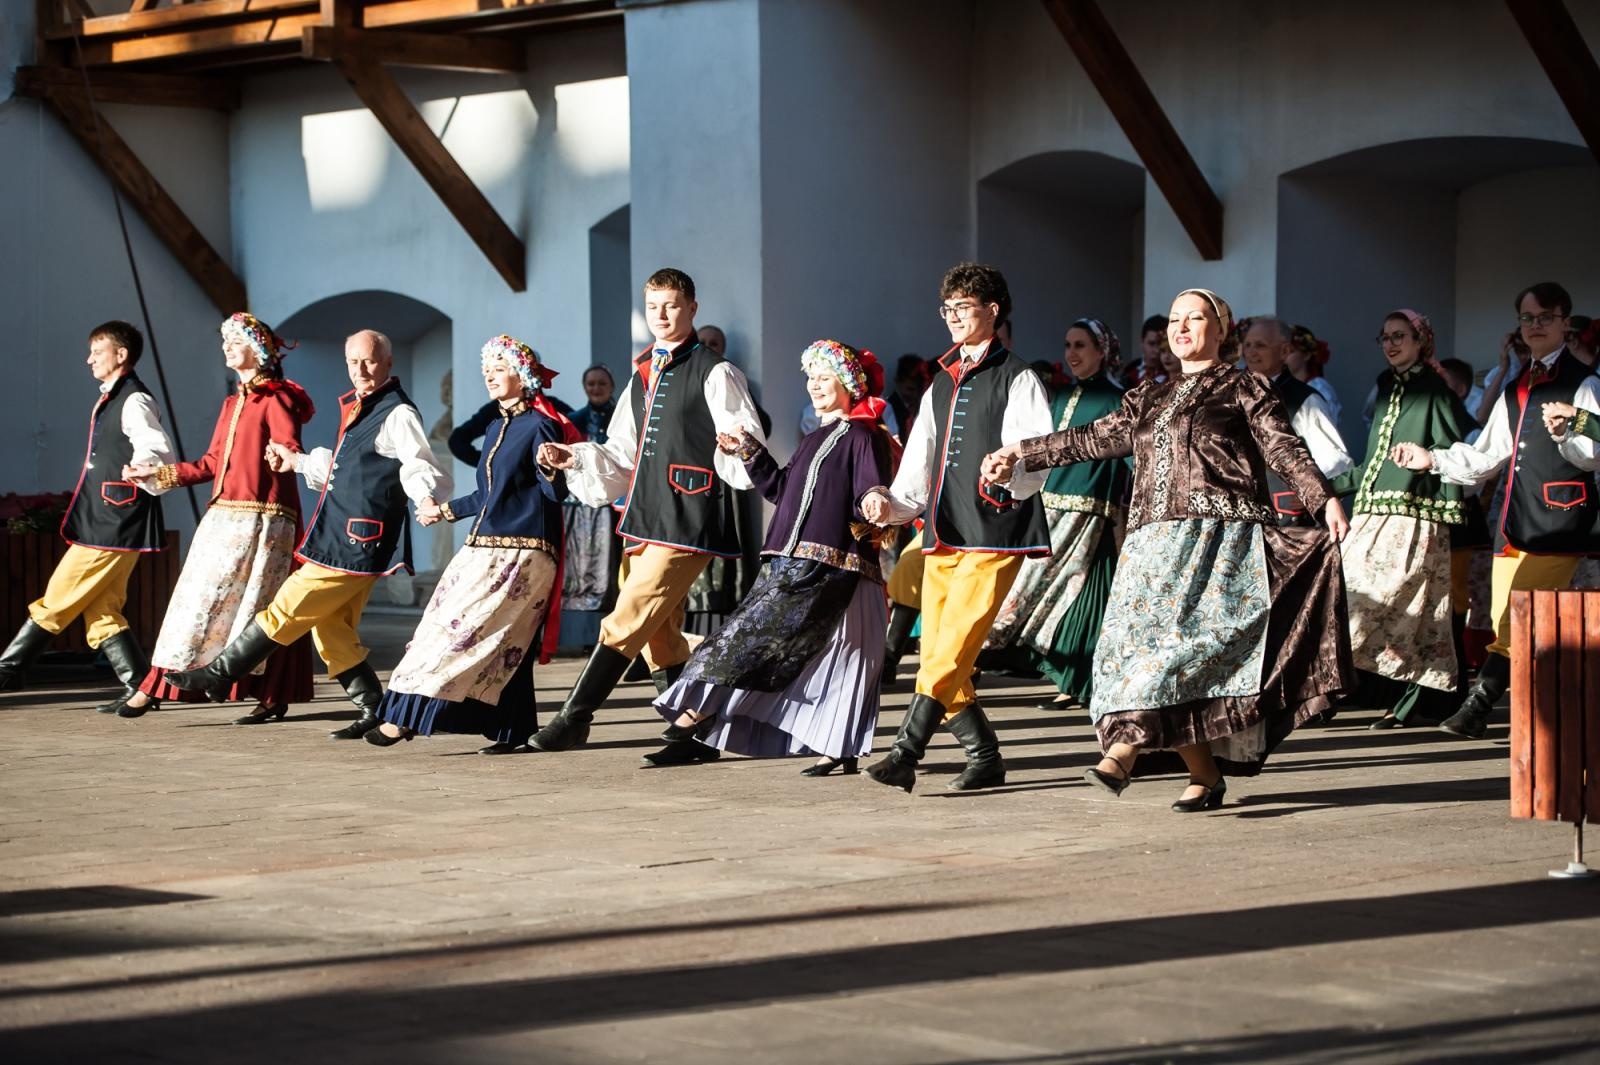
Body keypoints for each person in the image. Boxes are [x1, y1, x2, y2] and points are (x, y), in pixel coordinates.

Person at [984, 289, 1352, 812]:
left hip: (1218, 545)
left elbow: (1283, 447)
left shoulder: (1242, 386)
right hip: (1149, 547)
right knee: (1138, 656)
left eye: (1194, 318)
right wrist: (1018, 452)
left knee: (1177, 657)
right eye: (1175, 319)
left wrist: (1323, 500)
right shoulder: (1148, 395)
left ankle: (1123, 753)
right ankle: (1204, 775)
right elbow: (1088, 439)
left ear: (1220, 329)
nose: (1181, 328)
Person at [165, 329, 451, 739]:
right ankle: (374, 707)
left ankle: (220, 673)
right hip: (350, 536)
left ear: (388, 363)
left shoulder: (397, 412)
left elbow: (418, 463)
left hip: (358, 540)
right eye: (353, 362)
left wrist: (425, 498)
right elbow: (344, 471)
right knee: (332, 629)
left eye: (369, 361)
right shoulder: (364, 408)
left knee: (287, 605)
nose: (361, 370)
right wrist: (295, 461)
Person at [529, 268, 767, 753]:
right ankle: (690, 733)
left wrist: (737, 446)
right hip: (643, 516)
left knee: (629, 613)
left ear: (692, 309)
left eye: (672, 305)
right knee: (661, 632)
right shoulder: (641, 374)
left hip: (689, 515)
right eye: (653, 306)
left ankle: (575, 717)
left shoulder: (716, 371)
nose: (661, 315)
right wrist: (572, 455)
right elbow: (619, 452)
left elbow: (746, 438)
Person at [642, 340, 895, 771]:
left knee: (761, 639)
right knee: (825, 651)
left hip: (831, 564)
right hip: (792, 561)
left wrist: (874, 498)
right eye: (811, 379)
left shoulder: (862, 437)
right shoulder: (813, 438)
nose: (814, 386)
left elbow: (871, 488)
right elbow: (781, 490)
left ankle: (696, 716)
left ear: (849, 383)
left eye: (824, 378)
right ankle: (837, 748)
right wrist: (749, 452)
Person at [858, 262, 1053, 793]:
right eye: (947, 309)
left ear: (992, 311)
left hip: (995, 529)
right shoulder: (940, 382)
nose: (952, 318)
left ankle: (905, 753)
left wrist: (1011, 468)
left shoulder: (1019, 376)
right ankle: (984, 755)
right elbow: (920, 459)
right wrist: (893, 503)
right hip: (943, 530)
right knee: (942, 652)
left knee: (953, 645)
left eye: (963, 308)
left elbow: (1036, 450)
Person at [1390, 281, 1600, 740]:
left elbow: (1593, 454)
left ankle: (1478, 706)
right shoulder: (1515, 387)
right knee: (1517, 621)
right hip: (1516, 521)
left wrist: (1569, 432)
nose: (1536, 325)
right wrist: (1434, 458)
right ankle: (1541, 724)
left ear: (1565, 323)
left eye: (1546, 317)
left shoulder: (1584, 382)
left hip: (1561, 518)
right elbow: (1488, 456)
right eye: (1528, 318)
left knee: (1514, 623)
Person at [366, 336, 573, 753]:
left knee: (466, 632)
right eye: (486, 371)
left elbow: (556, 495)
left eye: (498, 369)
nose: (489, 376)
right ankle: (509, 728)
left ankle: (405, 717)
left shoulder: (541, 425)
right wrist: (442, 512)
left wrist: (552, 469)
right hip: (484, 544)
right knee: (481, 636)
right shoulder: (497, 426)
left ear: (522, 374)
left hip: (525, 551)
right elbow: (487, 495)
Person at [114, 313, 317, 722]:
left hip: (265, 518)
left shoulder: (277, 399)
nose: (226, 347)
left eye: (235, 340)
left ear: (258, 350)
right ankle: (160, 685)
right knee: (196, 604)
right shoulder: (233, 402)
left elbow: (288, 447)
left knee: (261, 607)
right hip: (223, 517)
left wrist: (284, 454)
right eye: (223, 339)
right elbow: (211, 463)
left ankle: (271, 692)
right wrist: (159, 475)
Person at [0, 321, 173, 696]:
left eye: (97, 352)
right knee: (103, 609)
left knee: (58, 596)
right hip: (112, 518)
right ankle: (141, 688)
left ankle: (9, 671)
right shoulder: (115, 396)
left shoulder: (134, 399)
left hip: (114, 519)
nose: (89, 359)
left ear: (121, 355)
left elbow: (155, 446)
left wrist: (144, 465)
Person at [1329, 310, 1475, 729]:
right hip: (1372, 514)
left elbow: (1453, 452)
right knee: (1353, 599)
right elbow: (1373, 461)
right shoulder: (1386, 386)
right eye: (1385, 337)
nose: (1391, 344)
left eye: (1400, 336)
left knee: (1404, 611)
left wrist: (1441, 500)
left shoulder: (1435, 391)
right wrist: (1324, 487)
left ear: (1420, 341)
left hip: (1413, 516)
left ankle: (1406, 700)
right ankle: (1397, 698)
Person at [983, 318, 1129, 711]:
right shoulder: (1061, 397)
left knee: (1082, 593)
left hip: (1092, 513)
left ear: (1103, 351)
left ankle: (1079, 681)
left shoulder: (1118, 401)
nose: (1072, 353)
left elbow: (1130, 462)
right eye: (1068, 344)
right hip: (1049, 506)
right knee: (1043, 588)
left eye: (1081, 345)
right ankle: (1069, 677)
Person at [1239, 317, 1352, 526]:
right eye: (1247, 345)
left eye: (1260, 345)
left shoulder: (1305, 400)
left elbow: (1336, 462)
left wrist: (1314, 495)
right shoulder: (1235, 395)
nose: (1251, 352)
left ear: (1284, 351)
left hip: (1287, 528)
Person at [563, 365, 620, 613]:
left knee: (613, 564)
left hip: (616, 501)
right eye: (591, 384)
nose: (596, 388)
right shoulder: (574, 420)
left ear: (612, 386)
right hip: (580, 505)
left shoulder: (622, 417)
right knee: (581, 565)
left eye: (601, 383)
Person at [1286, 324, 1342, 425]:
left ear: (1306, 355)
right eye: (1282, 351)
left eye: (1290, 351)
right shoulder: (1280, 385)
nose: (1284, 357)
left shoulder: (1319, 389)